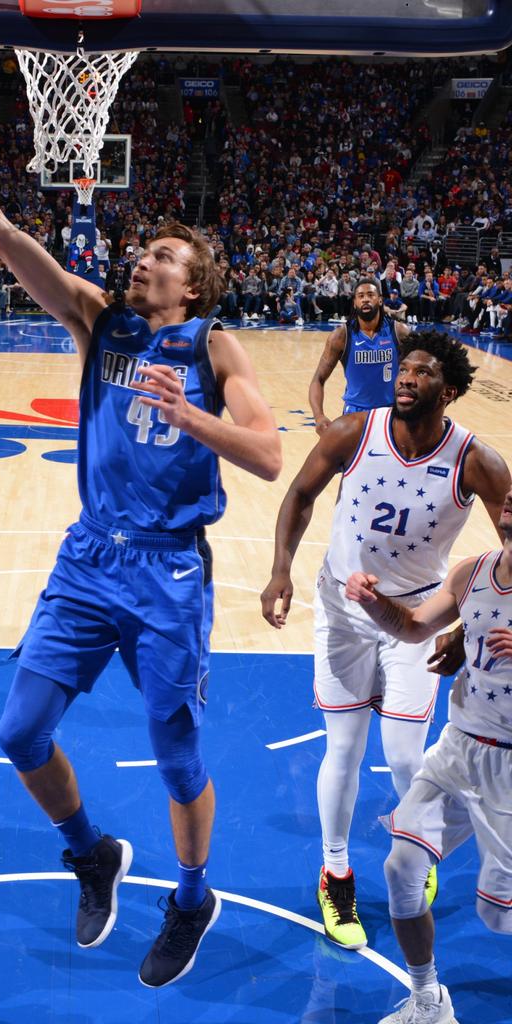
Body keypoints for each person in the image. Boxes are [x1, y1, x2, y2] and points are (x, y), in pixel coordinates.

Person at [0, 60, 282, 987]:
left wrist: (194, 418)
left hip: (171, 570)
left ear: (195, 283)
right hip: (91, 559)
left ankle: (192, 896)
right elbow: (0, 229)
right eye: (143, 252)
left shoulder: (215, 348)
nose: (142, 259)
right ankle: (91, 852)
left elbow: (267, 454)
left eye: (164, 258)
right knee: (20, 729)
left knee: (177, 757)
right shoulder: (98, 322)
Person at [261, 331, 510, 951]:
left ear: (447, 392)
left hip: (415, 617)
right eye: (404, 369)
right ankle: (337, 872)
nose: (404, 378)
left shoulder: (477, 461)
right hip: (344, 609)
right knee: (342, 749)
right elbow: (299, 495)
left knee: (405, 757)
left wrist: (462, 624)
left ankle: (414, 857)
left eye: (421, 373)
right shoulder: (354, 431)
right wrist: (280, 570)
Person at [345, 488, 512, 1023]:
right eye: (510, 497)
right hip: (459, 749)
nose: (508, 499)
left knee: (497, 915)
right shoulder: (473, 573)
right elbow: (415, 628)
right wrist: (375, 604)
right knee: (401, 868)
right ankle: (428, 1001)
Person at [309, 278, 410, 435]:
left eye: (371, 294)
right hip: (354, 413)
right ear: (355, 302)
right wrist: (319, 417)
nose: (366, 299)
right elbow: (318, 380)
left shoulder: (399, 331)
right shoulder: (341, 336)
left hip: (392, 411)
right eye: (361, 296)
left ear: (380, 300)